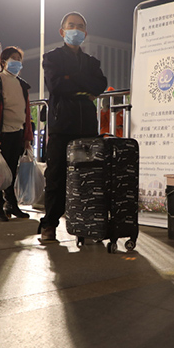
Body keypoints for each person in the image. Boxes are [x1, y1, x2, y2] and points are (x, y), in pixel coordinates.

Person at [37, 12, 108, 242]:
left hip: (87, 128)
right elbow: (56, 86)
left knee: (87, 177)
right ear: (62, 31)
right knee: (56, 177)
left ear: (85, 33)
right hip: (61, 126)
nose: (75, 30)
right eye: (71, 26)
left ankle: (85, 225)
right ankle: (49, 225)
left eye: (80, 27)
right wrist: (82, 88)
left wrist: (73, 80)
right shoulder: (52, 58)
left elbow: (100, 85)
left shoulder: (92, 62)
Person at [0, 46, 34, 221]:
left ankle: (11, 204)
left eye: (19, 59)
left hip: (17, 133)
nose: (16, 62)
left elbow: (26, 113)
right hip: (0, 134)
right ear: (3, 62)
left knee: (11, 171)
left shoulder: (22, 84)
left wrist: (27, 137)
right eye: (13, 58)